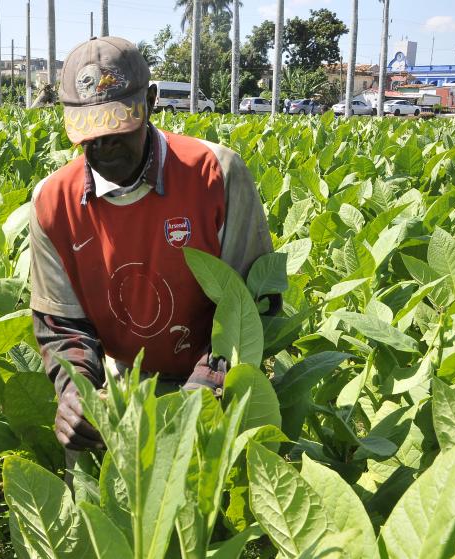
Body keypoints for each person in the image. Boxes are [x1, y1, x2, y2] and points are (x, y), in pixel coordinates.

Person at [29, 37, 279, 451]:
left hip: (214, 378)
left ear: (150, 101)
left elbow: (249, 303)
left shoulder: (216, 173)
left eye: (117, 127)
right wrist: (77, 394)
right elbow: (62, 326)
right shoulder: (53, 203)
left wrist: (208, 385)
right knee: (102, 499)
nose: (104, 146)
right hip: (120, 384)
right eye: (90, 135)